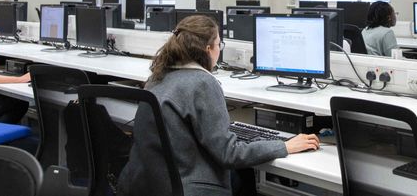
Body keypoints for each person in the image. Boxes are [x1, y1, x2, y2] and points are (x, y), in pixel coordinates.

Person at [117, 16, 319, 196]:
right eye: (219, 44)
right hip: (188, 186)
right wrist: (283, 146)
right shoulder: (203, 83)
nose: (219, 50)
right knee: (244, 174)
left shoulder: (157, 77)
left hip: (147, 184)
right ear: (208, 50)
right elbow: (229, 154)